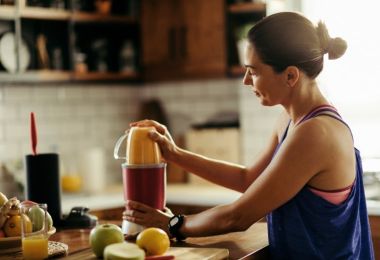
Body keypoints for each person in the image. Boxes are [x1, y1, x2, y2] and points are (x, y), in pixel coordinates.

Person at [124, 12, 374, 259]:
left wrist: (173, 224)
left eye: (253, 71)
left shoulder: (316, 133)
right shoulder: (291, 120)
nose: (246, 81)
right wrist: (175, 154)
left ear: (290, 75)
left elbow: (239, 216)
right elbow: (249, 179)